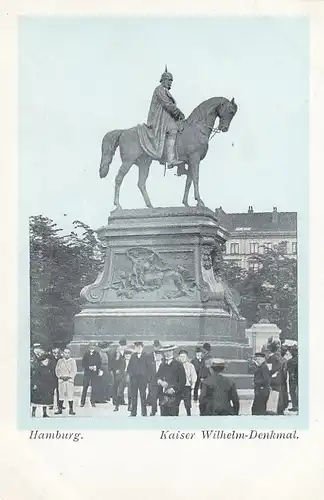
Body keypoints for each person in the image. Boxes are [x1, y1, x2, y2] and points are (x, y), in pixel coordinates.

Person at [146, 66, 185, 169]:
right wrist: (178, 113)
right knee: (173, 130)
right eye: (168, 80)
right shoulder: (159, 90)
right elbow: (167, 105)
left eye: (171, 81)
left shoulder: (164, 90)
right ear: (163, 80)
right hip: (159, 118)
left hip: (166, 117)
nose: (170, 83)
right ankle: (170, 160)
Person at [156, 345, 186, 416]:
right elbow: (157, 376)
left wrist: (173, 389)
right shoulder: (162, 365)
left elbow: (182, 381)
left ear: (172, 351)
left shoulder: (178, 364)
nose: (167, 353)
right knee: (163, 417)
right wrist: (160, 382)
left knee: (173, 418)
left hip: (174, 396)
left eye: (169, 351)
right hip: (163, 396)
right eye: (165, 351)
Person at [127, 342, 151, 417]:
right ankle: (133, 412)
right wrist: (130, 376)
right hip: (134, 379)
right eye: (136, 347)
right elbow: (129, 368)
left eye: (139, 347)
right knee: (133, 396)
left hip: (143, 379)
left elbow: (149, 368)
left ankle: (144, 413)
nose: (138, 348)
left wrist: (147, 379)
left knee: (143, 396)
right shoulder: (133, 356)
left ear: (142, 347)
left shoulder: (146, 356)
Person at [31, 353, 57, 417]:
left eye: (47, 361)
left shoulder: (48, 368)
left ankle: (44, 413)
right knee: (36, 401)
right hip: (39, 387)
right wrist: (35, 385)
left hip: (46, 387)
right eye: (46, 361)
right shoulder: (38, 368)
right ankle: (33, 412)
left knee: (45, 401)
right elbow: (35, 377)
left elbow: (50, 377)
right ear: (42, 361)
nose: (47, 362)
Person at [55, 347, 77, 415]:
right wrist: (60, 376)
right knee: (61, 395)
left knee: (70, 394)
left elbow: (74, 370)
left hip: (69, 380)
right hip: (62, 380)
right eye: (65, 352)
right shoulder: (60, 361)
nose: (66, 354)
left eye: (68, 353)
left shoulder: (72, 361)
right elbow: (57, 370)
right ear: (63, 353)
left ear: (70, 353)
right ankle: (60, 409)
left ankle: (71, 409)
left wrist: (69, 376)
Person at [80, 342, 101, 407]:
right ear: (89, 347)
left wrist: (95, 367)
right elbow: (83, 363)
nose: (92, 347)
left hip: (94, 373)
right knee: (85, 387)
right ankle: (82, 402)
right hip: (87, 373)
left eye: (93, 346)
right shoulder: (86, 354)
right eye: (91, 346)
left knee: (94, 388)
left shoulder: (97, 354)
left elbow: (99, 362)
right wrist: (88, 367)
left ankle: (93, 402)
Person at [178, 350, 197, 416]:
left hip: (187, 386)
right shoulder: (176, 365)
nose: (182, 358)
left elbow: (194, 375)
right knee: (176, 402)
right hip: (178, 387)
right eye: (181, 356)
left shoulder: (190, 366)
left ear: (186, 357)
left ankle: (189, 414)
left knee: (187, 403)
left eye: (184, 356)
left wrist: (193, 384)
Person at [266, 340, 282, 415]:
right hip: (277, 379)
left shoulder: (271, 358)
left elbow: (269, 370)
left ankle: (273, 411)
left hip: (273, 380)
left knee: (273, 397)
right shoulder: (277, 357)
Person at [147, 347, 164, 416]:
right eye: (156, 355)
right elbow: (148, 373)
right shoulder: (151, 364)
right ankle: (153, 411)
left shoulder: (164, 364)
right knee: (153, 398)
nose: (158, 357)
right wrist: (149, 382)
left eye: (159, 355)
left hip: (162, 384)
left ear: (162, 356)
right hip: (153, 384)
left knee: (162, 399)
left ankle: (162, 411)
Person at [199, 343, 213, 414]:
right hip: (206, 378)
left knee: (204, 394)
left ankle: (204, 410)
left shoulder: (207, 357)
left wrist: (202, 377)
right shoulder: (206, 356)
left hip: (206, 378)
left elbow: (206, 368)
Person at [287, 345, 298, 412]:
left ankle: (295, 406)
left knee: (293, 392)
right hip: (298, 378)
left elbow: (291, 371)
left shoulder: (290, 361)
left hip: (293, 379)